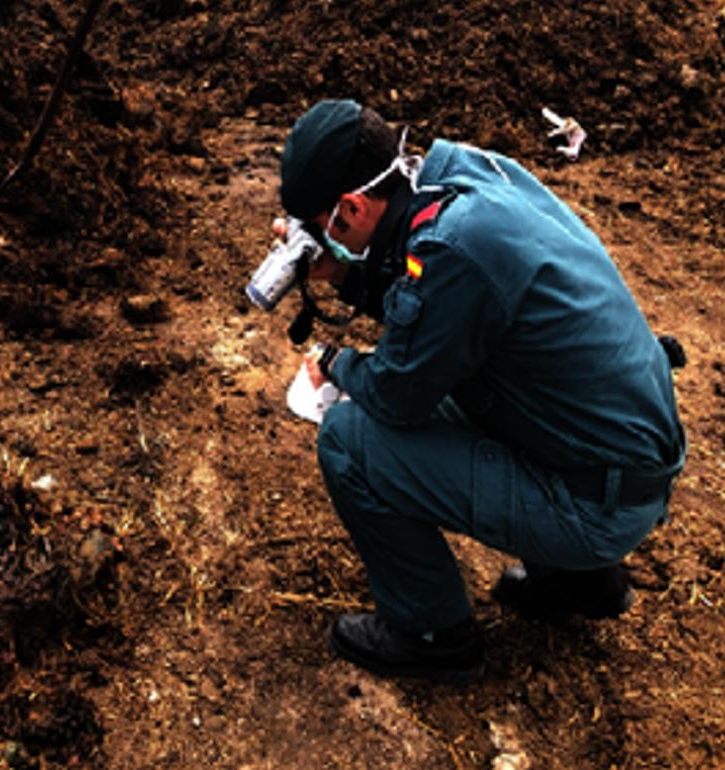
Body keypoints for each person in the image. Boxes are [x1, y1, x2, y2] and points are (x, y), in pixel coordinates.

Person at [277, 99, 685, 684]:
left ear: (350, 207)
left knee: (349, 437)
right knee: (473, 379)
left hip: (598, 505)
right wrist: (343, 272)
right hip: (626, 464)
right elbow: (440, 314)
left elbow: (398, 394)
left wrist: (338, 365)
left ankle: (430, 634)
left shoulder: (449, 249)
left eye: (320, 230)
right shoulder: (463, 175)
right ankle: (581, 580)